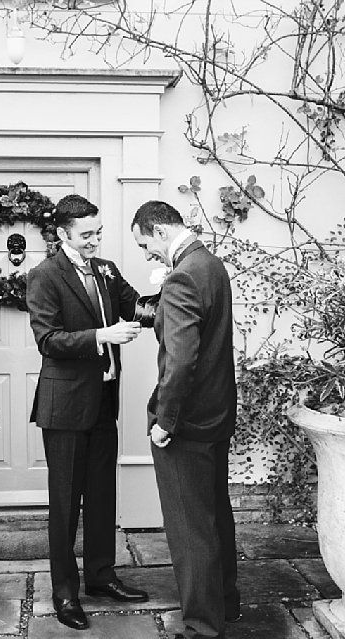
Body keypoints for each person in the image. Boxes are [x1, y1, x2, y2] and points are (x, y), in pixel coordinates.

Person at [26, 194, 149, 631]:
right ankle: (64, 592)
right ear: (63, 234)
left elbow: (138, 307)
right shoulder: (44, 275)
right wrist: (101, 335)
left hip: (103, 400)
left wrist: (175, 286)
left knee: (101, 494)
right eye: (86, 234)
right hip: (64, 407)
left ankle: (101, 576)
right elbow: (48, 339)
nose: (95, 240)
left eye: (98, 232)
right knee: (65, 503)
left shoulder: (106, 269)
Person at [131, 201, 240, 639]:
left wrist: (165, 421)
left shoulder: (181, 277)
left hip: (188, 424)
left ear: (160, 231)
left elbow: (180, 361)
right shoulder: (210, 264)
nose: (147, 255)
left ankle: (201, 627)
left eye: (145, 244)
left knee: (190, 529)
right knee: (215, 515)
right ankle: (226, 603)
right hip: (217, 416)